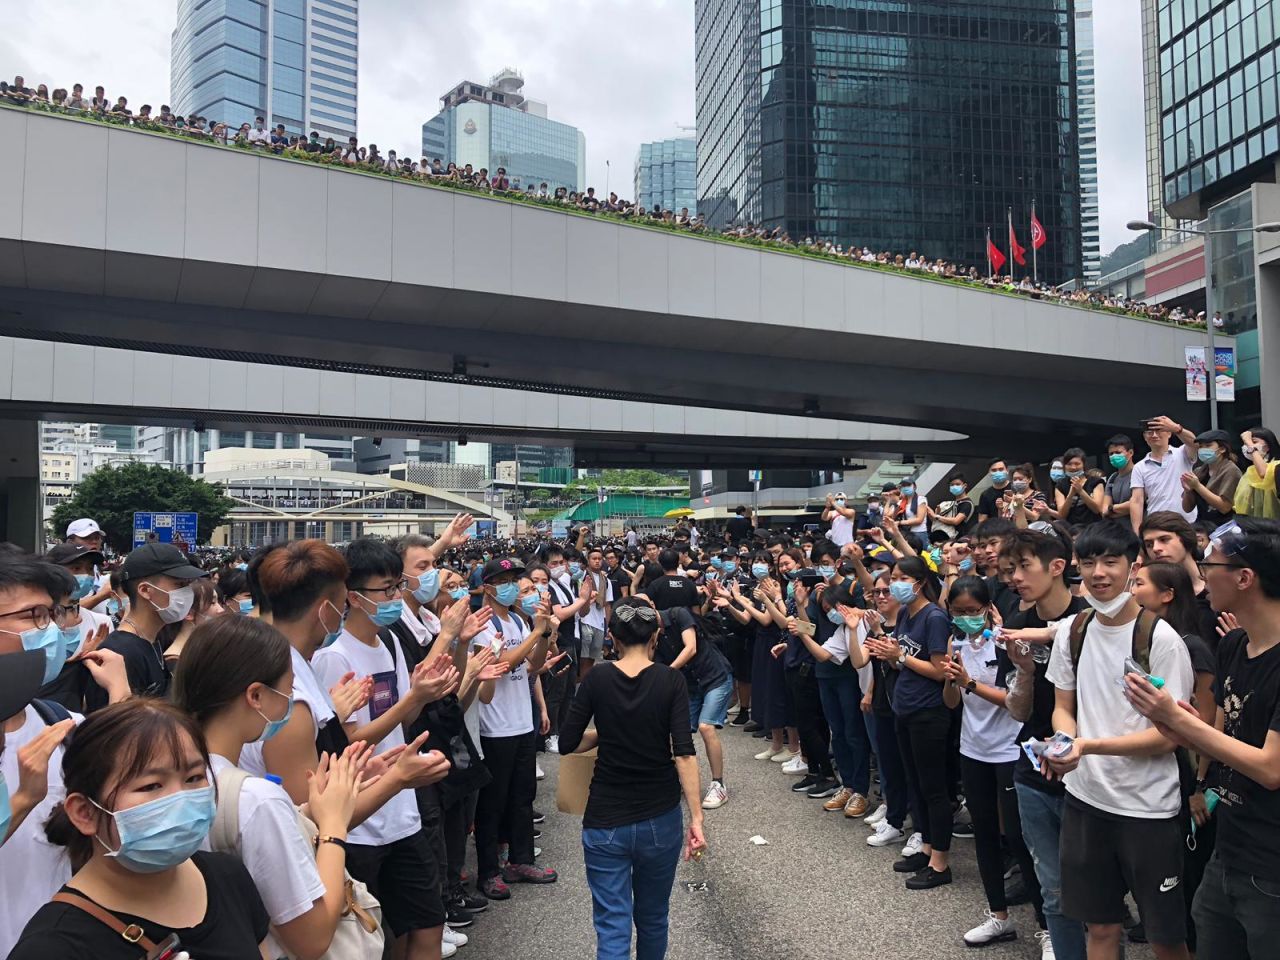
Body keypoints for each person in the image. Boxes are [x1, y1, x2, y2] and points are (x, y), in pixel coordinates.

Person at [171, 615, 375, 960]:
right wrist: (333, 826)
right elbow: (312, 938)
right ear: (255, 695)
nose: (291, 700)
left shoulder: (170, 776)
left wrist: (307, 812)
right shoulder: (256, 800)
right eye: (289, 688)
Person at [1123, 518, 1280, 960]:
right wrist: (1180, 724)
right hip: (1228, 851)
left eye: (1209, 564)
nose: (1202, 574)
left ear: (1245, 578)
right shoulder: (1235, 645)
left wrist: (1177, 719)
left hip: (1271, 868)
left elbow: (1270, 768)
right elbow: (1227, 730)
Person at [8, 699, 271, 958]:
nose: (180, 800)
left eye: (194, 778)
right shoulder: (53, 946)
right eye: (151, 785)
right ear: (84, 813)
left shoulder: (228, 876)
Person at [1044, 522, 1194, 960]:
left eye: (1111, 561)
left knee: (1166, 937)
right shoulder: (1073, 630)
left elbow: (1171, 736)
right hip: (1086, 801)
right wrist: (1064, 741)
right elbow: (1063, 705)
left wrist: (1087, 746)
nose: (1098, 573)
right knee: (1101, 927)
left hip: (1147, 809)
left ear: (1134, 566)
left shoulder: (1161, 639)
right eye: (1088, 563)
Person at [311, 538, 458, 960]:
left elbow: (401, 721)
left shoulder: (390, 642)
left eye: (398, 586)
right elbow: (352, 741)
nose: (396, 597)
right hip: (361, 822)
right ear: (353, 597)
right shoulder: (333, 658)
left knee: (428, 926)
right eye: (387, 590)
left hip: (404, 811)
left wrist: (423, 696)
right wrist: (414, 699)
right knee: (377, 936)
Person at [559, 597, 706, 960]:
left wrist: (606, 732)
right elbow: (684, 752)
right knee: (654, 917)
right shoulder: (670, 680)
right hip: (660, 815)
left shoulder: (597, 677)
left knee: (612, 923)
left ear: (613, 636)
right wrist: (697, 817)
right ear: (656, 635)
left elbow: (568, 743)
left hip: (605, 816)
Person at [1000, 528, 1088, 960]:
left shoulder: (1091, 619)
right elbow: (1017, 711)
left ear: (1057, 567)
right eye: (1011, 568)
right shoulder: (1017, 626)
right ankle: (1060, 941)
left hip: (1083, 768)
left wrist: (1069, 746)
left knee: (1096, 887)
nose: (1015, 577)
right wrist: (1027, 673)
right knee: (1050, 883)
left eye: (1023, 566)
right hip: (1033, 770)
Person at [941, 576, 1037, 946]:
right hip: (973, 748)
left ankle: (1046, 927)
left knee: (1017, 836)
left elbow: (1016, 704)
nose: (966, 618)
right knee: (984, 833)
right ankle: (998, 916)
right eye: (959, 612)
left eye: (973, 611)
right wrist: (954, 679)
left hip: (1009, 749)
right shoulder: (957, 644)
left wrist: (968, 682)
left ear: (988, 609)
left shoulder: (1005, 645)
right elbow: (952, 703)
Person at [470, 557, 557, 899]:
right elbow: (498, 664)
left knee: (523, 798)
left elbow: (532, 666)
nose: (511, 585)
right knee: (493, 804)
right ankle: (489, 870)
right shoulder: (484, 624)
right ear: (489, 587)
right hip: (496, 727)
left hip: (521, 722)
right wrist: (536, 632)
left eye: (514, 579)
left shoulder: (518, 621)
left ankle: (521, 860)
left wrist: (543, 633)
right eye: (504, 580)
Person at [866, 555, 953, 889]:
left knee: (933, 788)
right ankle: (927, 847)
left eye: (902, 577)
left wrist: (900, 656)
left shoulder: (934, 617)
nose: (897, 584)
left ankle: (941, 863)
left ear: (918, 582)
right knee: (916, 785)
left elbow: (939, 670)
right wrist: (892, 654)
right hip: (904, 707)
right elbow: (903, 661)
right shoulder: (904, 614)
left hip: (928, 712)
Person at [86, 543, 209, 712]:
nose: (188, 592)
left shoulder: (152, 640)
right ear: (145, 590)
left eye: (187, 585)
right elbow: (111, 731)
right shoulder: (119, 654)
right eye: (179, 584)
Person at [655, 586, 734, 810]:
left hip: (715, 677)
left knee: (706, 727)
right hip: (690, 686)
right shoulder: (648, 635)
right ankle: (675, 780)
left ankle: (718, 784)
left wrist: (667, 673)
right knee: (672, 730)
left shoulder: (678, 614)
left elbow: (690, 648)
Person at [1130, 416, 1201, 532]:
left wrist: (1176, 428)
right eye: (1149, 432)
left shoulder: (1182, 453)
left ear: (1169, 433)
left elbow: (1196, 444)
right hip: (1157, 524)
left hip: (1187, 523)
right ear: (1144, 437)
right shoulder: (1139, 467)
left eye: (1159, 430)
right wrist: (1138, 533)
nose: (1154, 435)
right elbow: (1137, 500)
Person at [1183, 429, 1242, 527]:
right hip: (1203, 524)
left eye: (1208, 445)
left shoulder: (1231, 470)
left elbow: (1224, 507)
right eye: (1201, 446)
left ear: (1222, 449)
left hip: (1224, 526)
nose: (1202, 450)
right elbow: (1187, 508)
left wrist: (1198, 486)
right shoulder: (1199, 471)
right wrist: (1188, 491)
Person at [1051, 447, 1105, 528]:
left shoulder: (1096, 482)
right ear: (1064, 466)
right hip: (1071, 530)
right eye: (1069, 464)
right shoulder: (1060, 485)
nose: (1073, 467)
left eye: (1077, 464)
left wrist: (1080, 491)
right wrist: (1070, 495)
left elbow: (1097, 509)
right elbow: (1062, 515)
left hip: (1094, 529)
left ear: (1083, 464)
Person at [1234, 427, 1280, 519]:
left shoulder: (1276, 466)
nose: (1247, 447)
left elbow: (1265, 474)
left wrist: (1250, 444)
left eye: (1254, 442)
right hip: (1253, 523)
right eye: (1245, 444)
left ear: (1268, 446)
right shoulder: (1249, 471)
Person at [1103, 435, 1137, 521]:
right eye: (1111, 454)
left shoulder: (1140, 474)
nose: (1114, 456)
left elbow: (1137, 503)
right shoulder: (1112, 478)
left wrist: (1112, 509)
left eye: (1118, 452)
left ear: (1130, 453)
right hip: (1116, 531)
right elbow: (1104, 510)